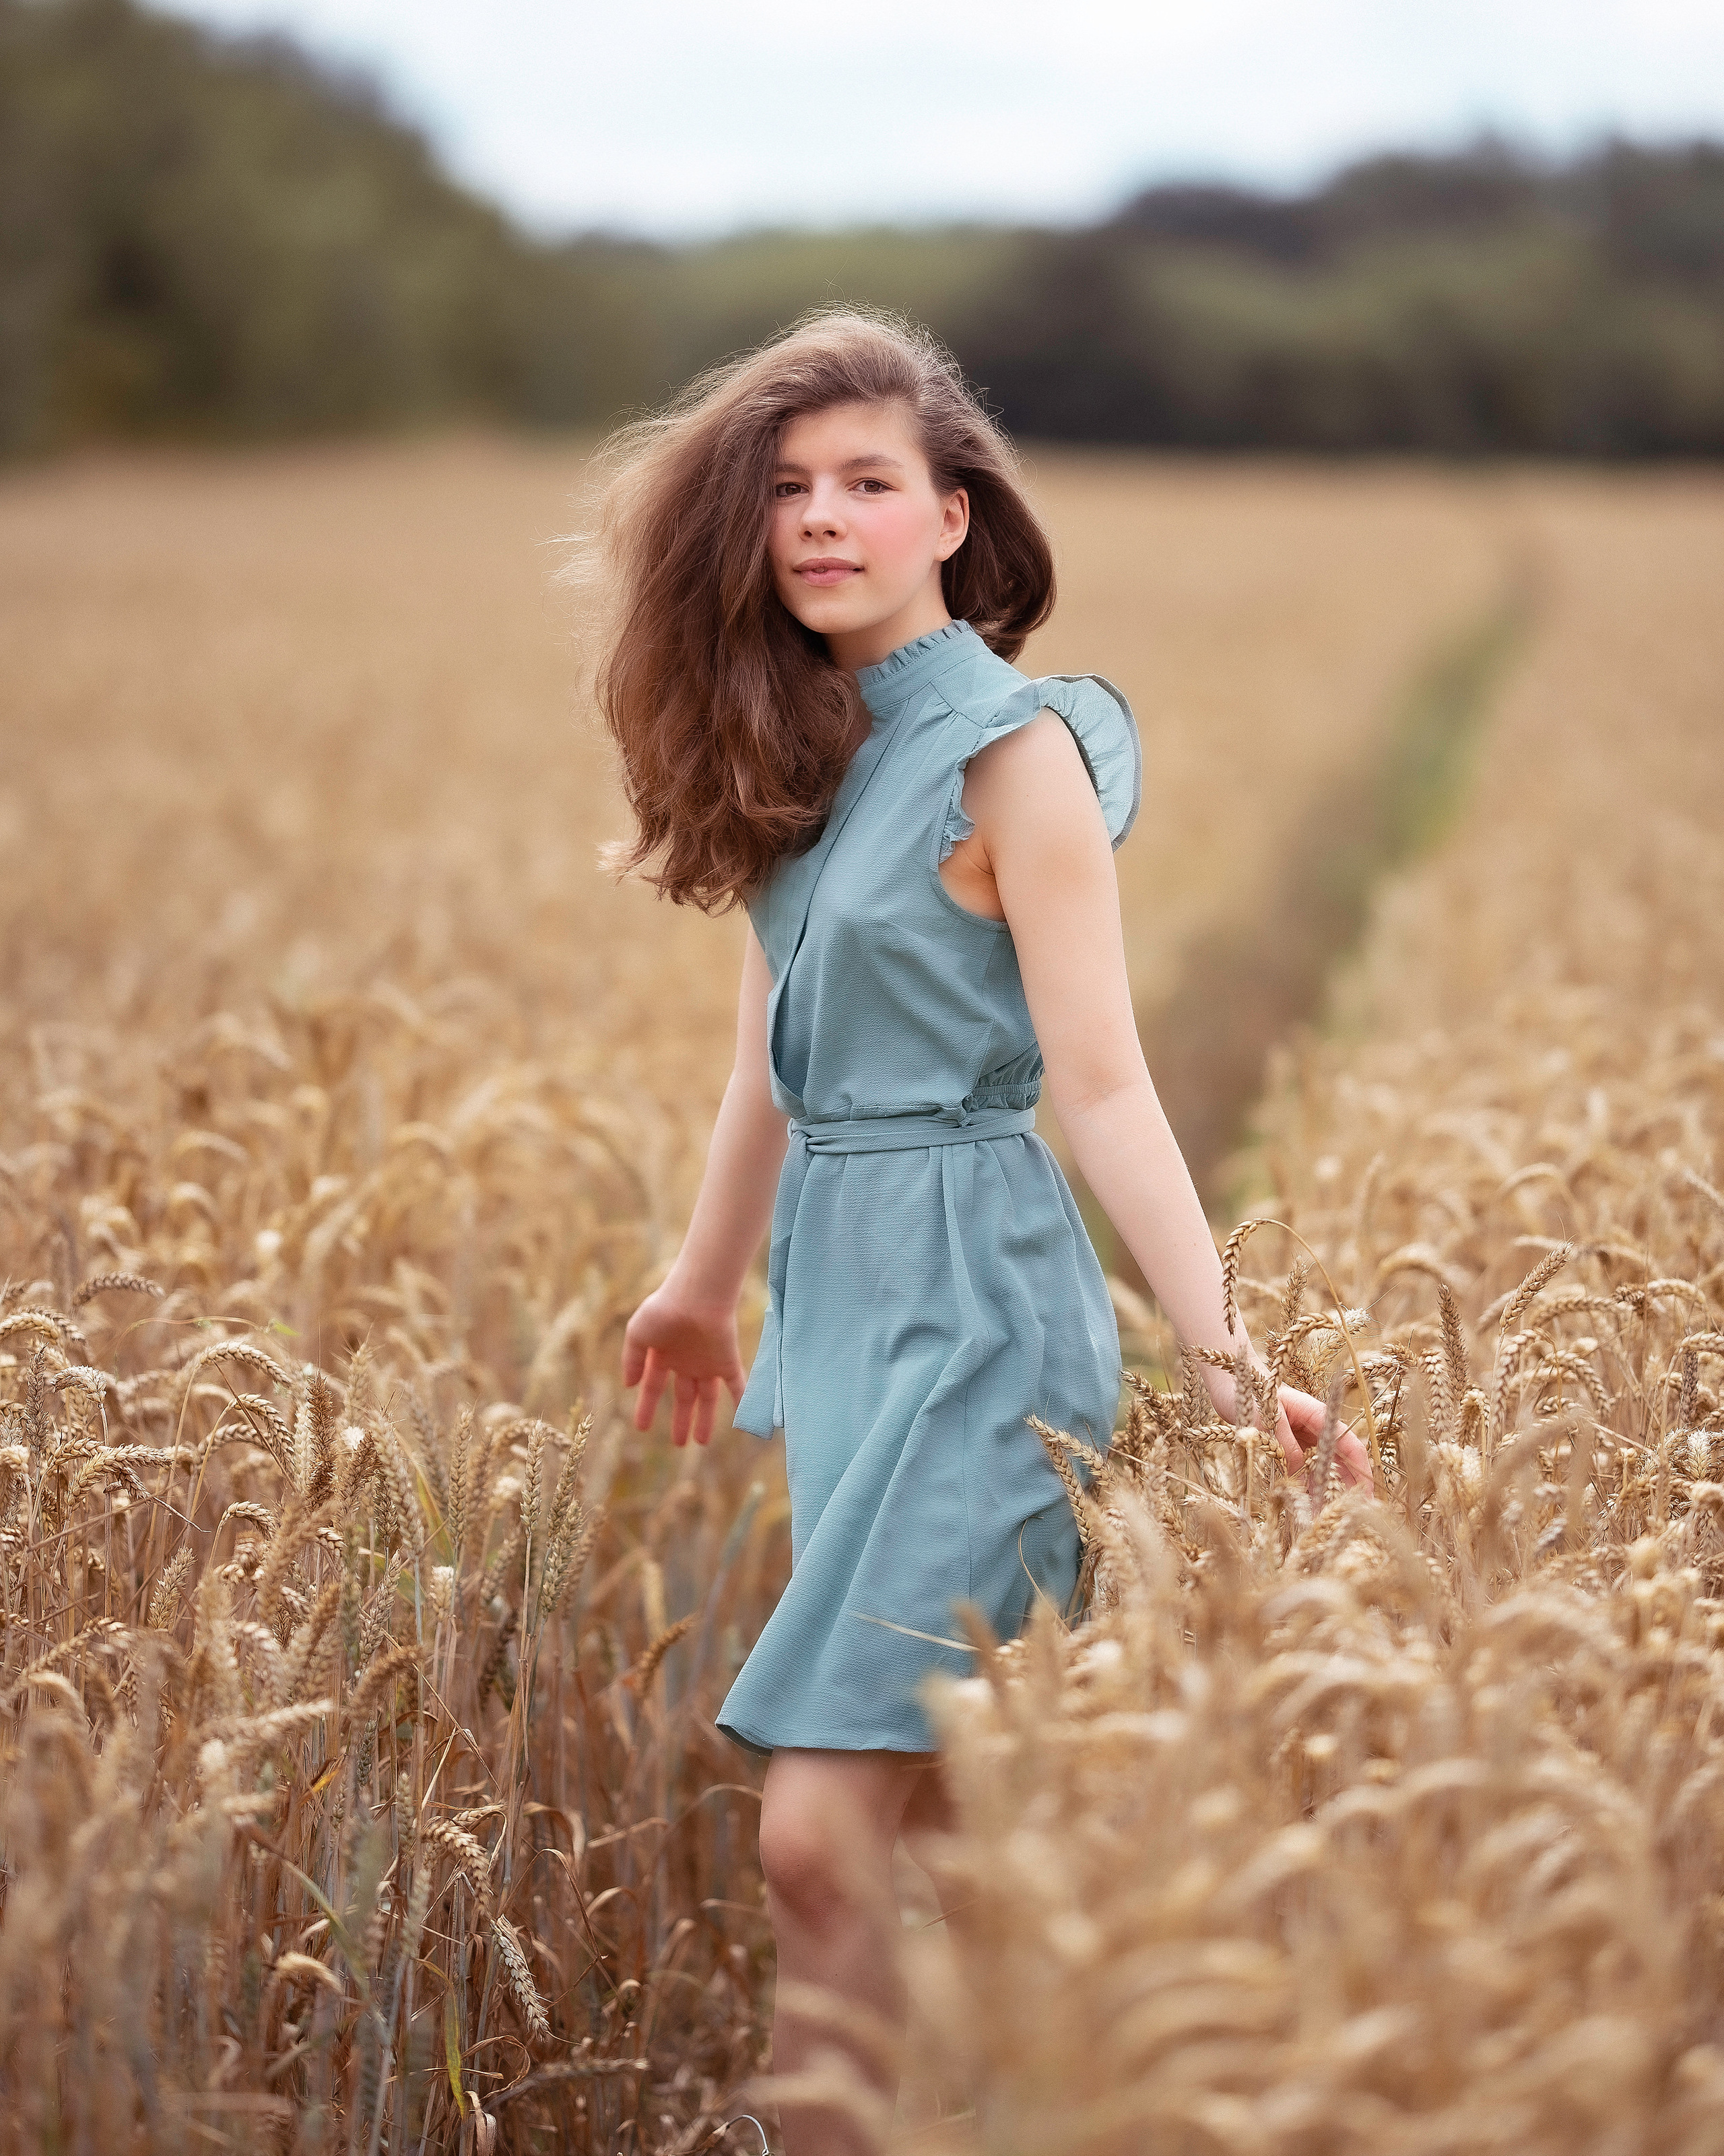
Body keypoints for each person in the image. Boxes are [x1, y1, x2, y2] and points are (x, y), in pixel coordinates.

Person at [598, 311, 1370, 2152]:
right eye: (785, 489)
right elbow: (775, 1056)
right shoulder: (797, 746)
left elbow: (1100, 1082)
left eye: (869, 482)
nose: (821, 518)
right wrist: (706, 1281)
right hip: (846, 1312)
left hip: (983, 1314)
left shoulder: (1012, 758)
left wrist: (1230, 1360)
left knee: (813, 1829)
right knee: (942, 1819)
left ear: (957, 514)